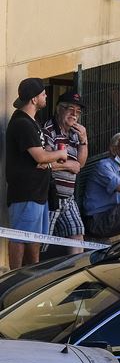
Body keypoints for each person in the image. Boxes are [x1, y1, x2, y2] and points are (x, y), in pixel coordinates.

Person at [5, 78, 68, 269]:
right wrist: (59, 154)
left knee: (35, 239)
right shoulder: (22, 123)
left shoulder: (32, 122)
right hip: (26, 193)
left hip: (38, 193)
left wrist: (47, 158)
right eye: (43, 93)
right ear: (34, 99)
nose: (46, 96)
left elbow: (40, 157)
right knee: (20, 238)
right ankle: (13, 278)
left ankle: (33, 275)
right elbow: (40, 156)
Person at [43, 90, 89, 255]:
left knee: (77, 233)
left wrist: (84, 139)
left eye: (78, 112)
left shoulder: (75, 133)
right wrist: (69, 165)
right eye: (70, 109)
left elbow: (81, 163)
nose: (74, 114)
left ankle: (75, 273)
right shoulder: (49, 130)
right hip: (50, 196)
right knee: (42, 241)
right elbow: (45, 162)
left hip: (68, 198)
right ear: (59, 109)